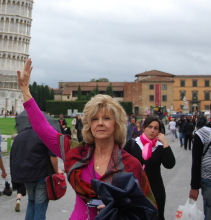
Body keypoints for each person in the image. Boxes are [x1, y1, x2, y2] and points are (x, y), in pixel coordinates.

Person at [17, 59, 156, 219]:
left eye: (106, 118)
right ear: (89, 125)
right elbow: (43, 128)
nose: (100, 123)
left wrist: (120, 206)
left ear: (117, 124)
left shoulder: (130, 164)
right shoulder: (76, 152)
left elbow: (147, 208)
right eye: (95, 119)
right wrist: (25, 89)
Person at [123, 116, 175, 220]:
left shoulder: (160, 147)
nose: (152, 130)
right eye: (150, 127)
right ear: (144, 128)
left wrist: (165, 143)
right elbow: (121, 163)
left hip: (155, 189)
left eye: (156, 128)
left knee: (156, 216)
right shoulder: (133, 144)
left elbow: (169, 164)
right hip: (135, 188)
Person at [10, 122, 60, 219]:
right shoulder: (44, 135)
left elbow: (13, 158)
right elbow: (53, 155)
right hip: (41, 175)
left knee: (31, 201)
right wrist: (57, 171)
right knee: (40, 205)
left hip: (26, 176)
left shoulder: (19, 136)